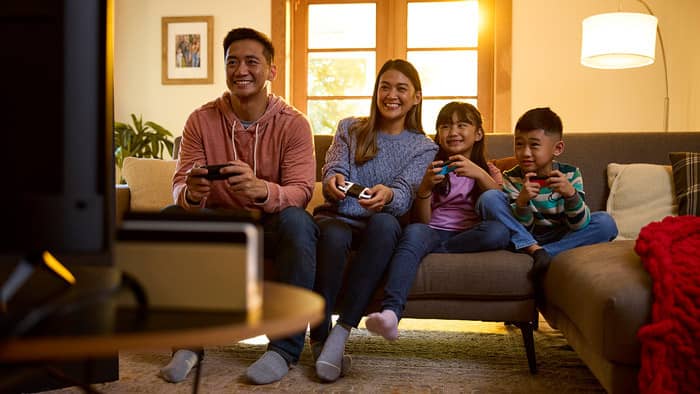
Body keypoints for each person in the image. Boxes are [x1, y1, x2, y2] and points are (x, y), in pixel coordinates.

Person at [159, 27, 318, 386]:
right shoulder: (200, 120)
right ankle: (186, 346)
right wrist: (193, 193)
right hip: (221, 224)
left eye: (251, 61)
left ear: (271, 71)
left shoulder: (294, 124)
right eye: (233, 62)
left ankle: (283, 349)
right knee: (172, 218)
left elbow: (301, 191)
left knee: (299, 222)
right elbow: (180, 184)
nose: (241, 70)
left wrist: (261, 190)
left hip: (270, 224)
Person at [310, 59, 438, 383]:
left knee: (385, 225)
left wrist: (390, 195)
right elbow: (332, 169)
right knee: (334, 236)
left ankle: (341, 333)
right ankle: (319, 335)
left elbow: (407, 191)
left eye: (401, 88)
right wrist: (332, 181)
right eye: (385, 86)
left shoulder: (424, 146)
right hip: (338, 216)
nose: (391, 95)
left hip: (380, 225)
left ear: (416, 98)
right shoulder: (349, 128)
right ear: (376, 91)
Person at [364, 101, 510, 341]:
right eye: (445, 126)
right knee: (414, 233)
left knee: (499, 232)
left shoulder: (489, 170)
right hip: (434, 230)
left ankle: (437, 251)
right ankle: (391, 313)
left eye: (462, 125)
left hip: (470, 235)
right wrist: (425, 188)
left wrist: (479, 174)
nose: (453, 132)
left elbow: (502, 208)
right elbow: (423, 221)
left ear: (478, 133)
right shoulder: (432, 168)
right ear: (438, 135)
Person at [478, 107, 618, 280]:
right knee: (489, 198)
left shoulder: (570, 174)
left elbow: (578, 225)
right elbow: (523, 227)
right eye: (519, 144)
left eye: (534, 145)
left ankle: (544, 255)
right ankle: (535, 251)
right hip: (525, 236)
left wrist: (571, 195)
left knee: (605, 222)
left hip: (561, 236)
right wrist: (522, 203)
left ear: (557, 148)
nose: (525, 153)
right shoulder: (512, 177)